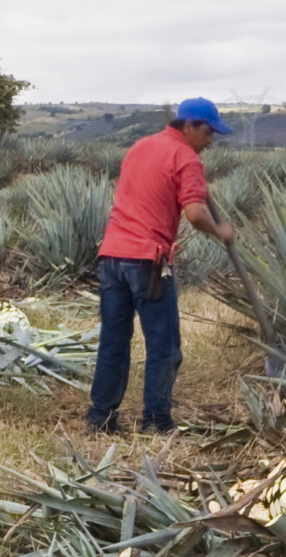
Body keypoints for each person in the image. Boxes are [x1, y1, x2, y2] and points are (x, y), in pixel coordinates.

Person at [86, 97, 238, 434]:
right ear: (189, 126)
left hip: (112, 256)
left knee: (114, 341)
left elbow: (140, 199)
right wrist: (221, 231)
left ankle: (101, 418)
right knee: (164, 346)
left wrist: (163, 236)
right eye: (208, 131)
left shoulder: (141, 146)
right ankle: (155, 421)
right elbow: (196, 214)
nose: (211, 140)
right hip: (147, 263)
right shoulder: (186, 158)